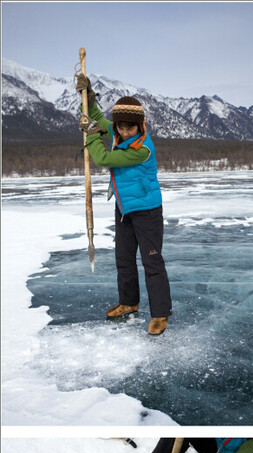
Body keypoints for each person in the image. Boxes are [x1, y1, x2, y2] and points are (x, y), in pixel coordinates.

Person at [75, 74, 173, 336]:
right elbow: (99, 119)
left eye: (130, 128)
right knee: (124, 260)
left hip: (147, 212)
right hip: (124, 209)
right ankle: (129, 302)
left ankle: (160, 314)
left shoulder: (142, 149)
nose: (124, 132)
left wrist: (90, 133)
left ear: (140, 125)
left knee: (152, 262)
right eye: (120, 127)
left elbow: (103, 158)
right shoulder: (118, 131)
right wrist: (89, 97)